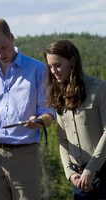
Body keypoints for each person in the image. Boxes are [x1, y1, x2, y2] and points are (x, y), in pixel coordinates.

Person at [0, 18, 54, 200]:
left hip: (24, 154)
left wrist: (39, 121)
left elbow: (49, 113)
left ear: (11, 38)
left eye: (3, 47)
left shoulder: (38, 70)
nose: (0, 54)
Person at [44, 39, 106, 200]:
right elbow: (63, 140)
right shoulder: (60, 97)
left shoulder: (100, 89)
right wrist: (70, 173)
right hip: (79, 181)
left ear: (72, 61)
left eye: (57, 65)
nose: (53, 71)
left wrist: (90, 171)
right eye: (50, 66)